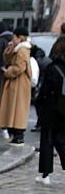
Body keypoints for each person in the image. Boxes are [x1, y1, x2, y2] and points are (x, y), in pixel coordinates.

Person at [35, 35, 65, 184]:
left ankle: (45, 174)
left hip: (52, 110)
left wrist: (39, 104)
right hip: (63, 110)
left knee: (48, 141)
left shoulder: (53, 69)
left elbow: (45, 91)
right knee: (61, 140)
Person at [0, 26, 32, 145]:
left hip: (18, 83)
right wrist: (9, 50)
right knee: (14, 108)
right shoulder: (18, 49)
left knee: (17, 109)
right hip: (16, 82)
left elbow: (19, 67)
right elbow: (8, 60)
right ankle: (16, 133)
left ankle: (18, 134)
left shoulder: (22, 50)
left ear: (18, 37)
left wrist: (7, 71)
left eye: (14, 36)